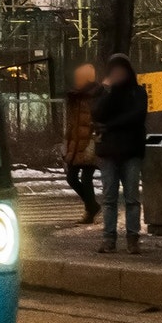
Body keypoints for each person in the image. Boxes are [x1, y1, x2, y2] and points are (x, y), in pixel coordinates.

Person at [92, 53, 148, 254]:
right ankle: (109, 239)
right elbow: (96, 113)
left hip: (131, 151)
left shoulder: (137, 93)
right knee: (109, 199)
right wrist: (108, 91)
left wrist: (110, 125)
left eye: (121, 70)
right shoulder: (105, 92)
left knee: (132, 198)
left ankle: (133, 239)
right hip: (108, 152)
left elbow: (136, 117)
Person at [63, 63, 102, 224]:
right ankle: (92, 206)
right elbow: (71, 121)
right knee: (71, 177)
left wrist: (97, 133)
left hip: (89, 142)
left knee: (86, 178)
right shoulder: (74, 96)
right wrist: (67, 140)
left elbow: (100, 116)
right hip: (75, 141)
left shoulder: (96, 95)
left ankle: (90, 211)